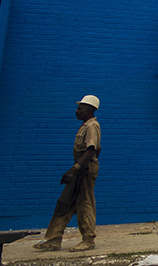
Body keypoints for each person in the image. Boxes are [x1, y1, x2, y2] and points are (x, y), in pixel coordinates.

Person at [33, 95, 102, 252]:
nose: (77, 111)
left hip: (84, 171)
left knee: (85, 203)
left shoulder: (92, 126)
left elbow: (92, 149)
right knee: (64, 203)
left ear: (90, 110)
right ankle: (54, 239)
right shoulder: (85, 125)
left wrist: (76, 169)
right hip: (80, 169)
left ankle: (88, 239)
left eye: (81, 108)